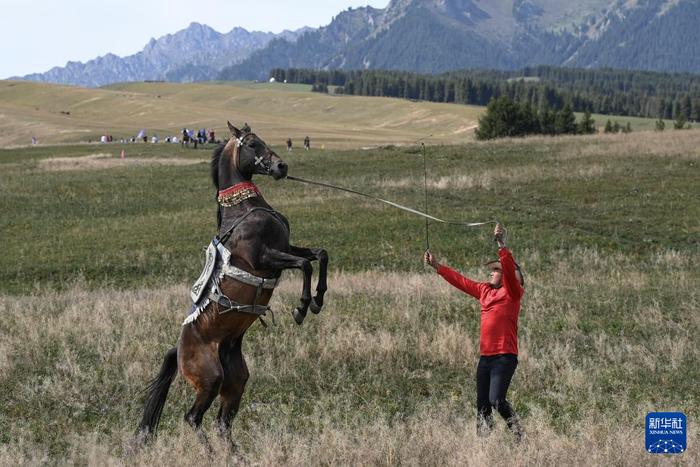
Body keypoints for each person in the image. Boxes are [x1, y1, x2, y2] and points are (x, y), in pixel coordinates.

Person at [423, 223, 524, 441]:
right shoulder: (484, 291)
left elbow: (508, 267)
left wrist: (500, 243)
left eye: (496, 270)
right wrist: (437, 266)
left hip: (504, 357)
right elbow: (460, 281)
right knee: (482, 406)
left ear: (510, 276)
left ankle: (518, 435)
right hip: (486, 359)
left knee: (497, 400)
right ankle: (483, 446)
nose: (491, 271)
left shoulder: (513, 292)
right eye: (492, 269)